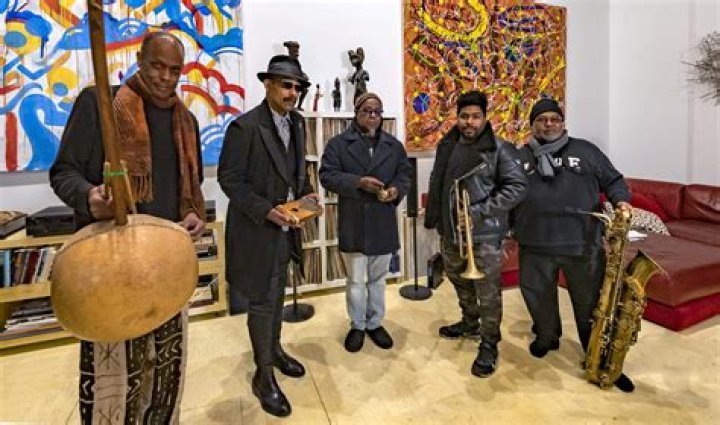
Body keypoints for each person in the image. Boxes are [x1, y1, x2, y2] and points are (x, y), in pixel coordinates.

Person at [50, 32, 206, 424]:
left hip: (166, 267)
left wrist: (192, 215)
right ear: (139, 60)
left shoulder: (186, 121)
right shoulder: (99, 105)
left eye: (174, 70)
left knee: (166, 369)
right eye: (156, 66)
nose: (164, 77)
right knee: (115, 380)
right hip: (111, 269)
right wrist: (90, 197)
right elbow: (63, 172)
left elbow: (192, 188)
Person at [218, 55, 318, 417]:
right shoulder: (243, 128)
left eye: (297, 87)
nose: (292, 93)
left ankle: (274, 351)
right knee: (261, 300)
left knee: (277, 294)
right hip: (257, 229)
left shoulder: (298, 123)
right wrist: (266, 211)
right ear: (268, 84)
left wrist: (307, 195)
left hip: (286, 229)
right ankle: (263, 375)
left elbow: (296, 172)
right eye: (286, 85)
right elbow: (230, 180)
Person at [513, 98, 635, 392]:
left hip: (582, 243)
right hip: (534, 242)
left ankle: (598, 354)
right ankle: (546, 337)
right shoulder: (518, 157)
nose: (549, 124)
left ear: (562, 122)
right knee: (538, 297)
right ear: (532, 125)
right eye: (542, 120)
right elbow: (505, 192)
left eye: (554, 119)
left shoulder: (586, 151)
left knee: (591, 303)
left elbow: (614, 180)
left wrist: (621, 201)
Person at [424, 91, 527, 377]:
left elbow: (517, 186)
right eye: (464, 116)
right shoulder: (448, 145)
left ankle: (490, 342)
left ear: (485, 118)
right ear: (457, 117)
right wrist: (437, 217)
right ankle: (470, 323)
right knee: (458, 279)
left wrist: (478, 211)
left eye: (475, 116)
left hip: (484, 233)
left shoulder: (499, 149)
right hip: (451, 231)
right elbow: (439, 182)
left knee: (488, 292)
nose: (469, 122)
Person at [319, 92, 412, 353]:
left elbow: (405, 175)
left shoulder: (394, 146)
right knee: (355, 280)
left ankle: (375, 323)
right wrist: (358, 182)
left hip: (382, 220)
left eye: (377, 112)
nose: (372, 116)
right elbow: (327, 176)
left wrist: (395, 191)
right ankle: (357, 325)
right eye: (367, 111)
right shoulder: (338, 144)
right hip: (354, 221)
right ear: (356, 113)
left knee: (378, 279)